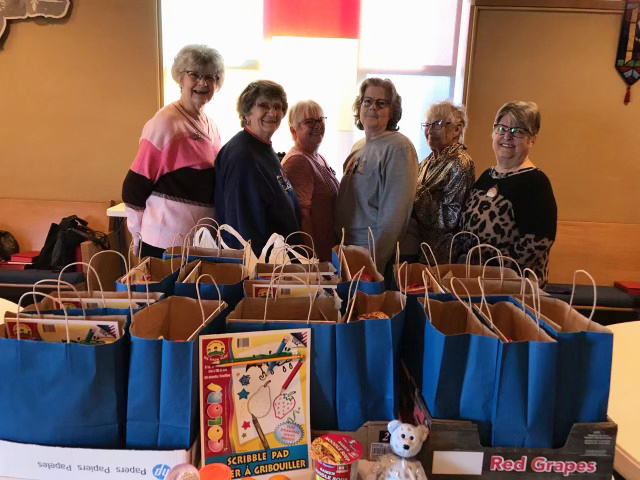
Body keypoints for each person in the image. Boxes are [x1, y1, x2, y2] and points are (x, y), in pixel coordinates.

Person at [122, 44, 224, 258]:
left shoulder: (212, 126)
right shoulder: (166, 122)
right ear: (180, 78)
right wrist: (138, 233)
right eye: (194, 74)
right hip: (164, 244)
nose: (202, 83)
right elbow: (135, 185)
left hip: (198, 243)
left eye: (210, 77)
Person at [459, 101, 557, 285]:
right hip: (475, 282)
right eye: (501, 128)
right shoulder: (487, 176)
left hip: (512, 288)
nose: (507, 136)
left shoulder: (535, 182)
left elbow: (538, 241)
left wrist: (492, 271)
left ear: (532, 138)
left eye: (518, 131)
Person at [334, 78, 419, 274]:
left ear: (392, 111)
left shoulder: (398, 147)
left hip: (376, 256)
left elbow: (394, 216)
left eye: (381, 103)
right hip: (351, 251)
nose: (373, 107)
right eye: (367, 101)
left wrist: (374, 264)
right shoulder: (359, 147)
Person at [215, 80, 301, 256]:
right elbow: (242, 227)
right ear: (247, 112)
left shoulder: (263, 148)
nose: (272, 112)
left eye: (277, 106)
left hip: (278, 260)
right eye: (263, 105)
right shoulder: (242, 155)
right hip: (261, 267)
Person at [409, 100, 475, 264]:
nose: (430, 130)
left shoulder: (460, 163)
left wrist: (415, 193)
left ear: (456, 129)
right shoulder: (426, 162)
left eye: (437, 124)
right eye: (427, 125)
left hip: (442, 257)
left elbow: (449, 218)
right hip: (418, 249)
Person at [281, 100, 339, 261]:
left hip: (328, 248)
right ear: (293, 130)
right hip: (316, 256)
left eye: (320, 119)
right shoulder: (298, 161)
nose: (318, 125)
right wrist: (311, 258)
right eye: (309, 122)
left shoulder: (317, 157)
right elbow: (301, 216)